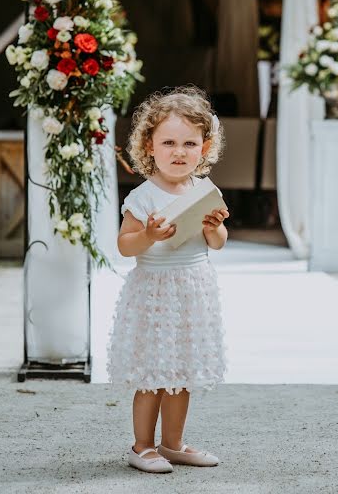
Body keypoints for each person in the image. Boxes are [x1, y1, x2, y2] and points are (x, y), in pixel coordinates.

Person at [109, 86, 230, 474]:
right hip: (156, 294)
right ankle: (142, 445)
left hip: (193, 291)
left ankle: (173, 443)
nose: (179, 152)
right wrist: (149, 236)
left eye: (189, 143)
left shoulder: (204, 191)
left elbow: (218, 242)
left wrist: (215, 228)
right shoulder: (143, 197)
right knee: (152, 373)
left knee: (182, 372)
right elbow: (125, 245)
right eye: (169, 142)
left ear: (204, 147)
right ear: (150, 145)